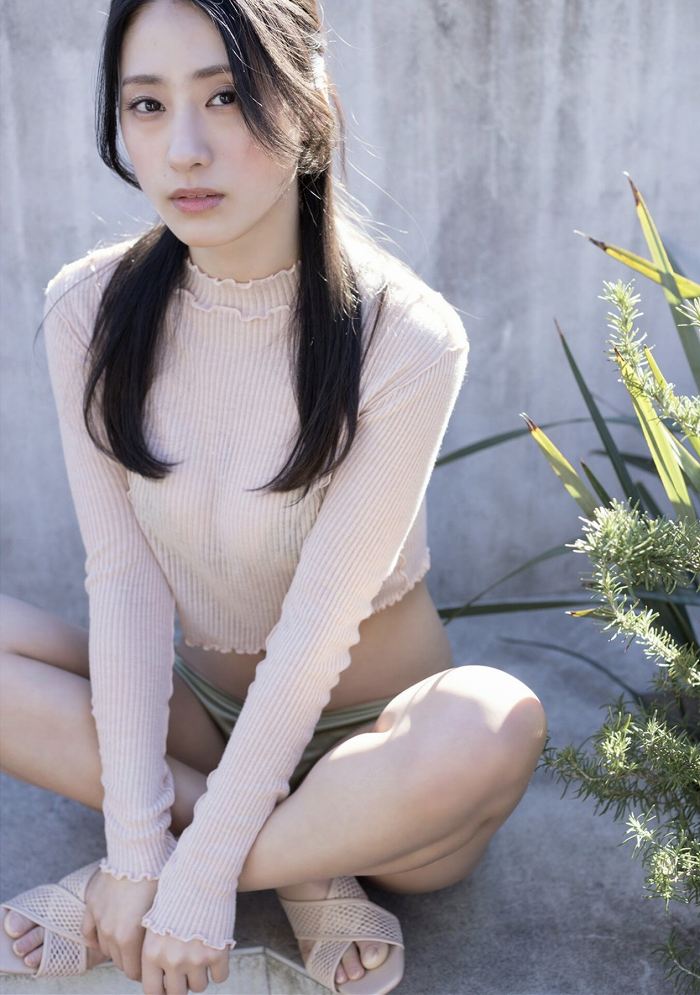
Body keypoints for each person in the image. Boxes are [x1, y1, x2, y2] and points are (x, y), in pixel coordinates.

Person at [0, 1, 548, 993]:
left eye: (226, 96)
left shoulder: (405, 335)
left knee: (496, 719)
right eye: (148, 104)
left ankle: (190, 861)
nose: (186, 147)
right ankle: (295, 864)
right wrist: (134, 840)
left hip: (377, 743)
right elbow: (124, 583)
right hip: (202, 714)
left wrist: (178, 871)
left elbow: (318, 625)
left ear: (309, 107)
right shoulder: (87, 309)